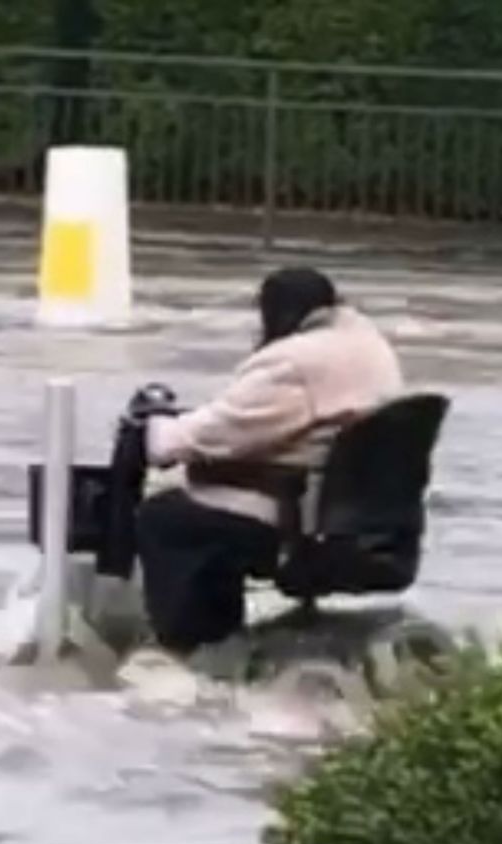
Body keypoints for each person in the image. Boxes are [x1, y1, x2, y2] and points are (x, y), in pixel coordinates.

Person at [135, 267, 404, 655]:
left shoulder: (297, 362)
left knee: (164, 518)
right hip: (356, 519)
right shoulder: (369, 347)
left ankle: (191, 649)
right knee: (201, 512)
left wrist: (159, 433)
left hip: (295, 519)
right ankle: (219, 637)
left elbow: (226, 427)